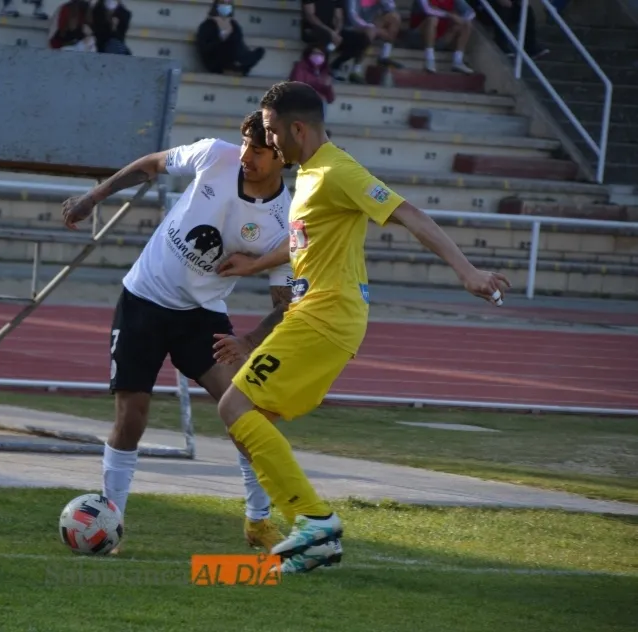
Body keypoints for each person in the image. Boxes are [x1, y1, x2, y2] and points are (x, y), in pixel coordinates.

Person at [212, 81, 510, 574]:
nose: (269, 141)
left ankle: (313, 520)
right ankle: (315, 541)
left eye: (271, 130)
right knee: (250, 421)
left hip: (326, 314)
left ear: (297, 129)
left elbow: (409, 214)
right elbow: (306, 242)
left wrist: (467, 272)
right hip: (316, 314)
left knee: (233, 406)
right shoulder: (311, 174)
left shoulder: (337, 170)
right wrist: (256, 264)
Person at [60, 112, 295, 552]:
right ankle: (109, 523)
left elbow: (286, 304)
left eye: (259, 150)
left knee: (249, 415)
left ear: (283, 155)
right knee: (131, 418)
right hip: (142, 301)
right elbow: (151, 164)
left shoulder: (286, 220)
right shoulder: (215, 155)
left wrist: (248, 341)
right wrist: (95, 196)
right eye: (245, 144)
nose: (246, 156)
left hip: (202, 317)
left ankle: (259, 521)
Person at [300, 0, 370, 84]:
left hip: (332, 31)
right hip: (312, 28)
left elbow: (339, 17)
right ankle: (319, 71)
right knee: (325, 37)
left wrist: (337, 31)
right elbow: (310, 16)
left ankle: (335, 66)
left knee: (361, 39)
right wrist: (331, 32)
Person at [196, 0, 265, 76]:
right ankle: (232, 68)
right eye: (223, 3)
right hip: (215, 60)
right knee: (230, 44)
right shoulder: (207, 25)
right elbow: (205, 48)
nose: (226, 6)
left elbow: (239, 43)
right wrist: (223, 35)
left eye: (228, 4)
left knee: (259, 52)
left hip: (235, 56)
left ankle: (237, 68)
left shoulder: (234, 24)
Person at [409, 0, 476, 74]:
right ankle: (429, 59)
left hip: (440, 39)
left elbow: (471, 13)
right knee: (432, 19)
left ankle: (458, 61)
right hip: (418, 38)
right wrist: (450, 15)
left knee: (466, 24)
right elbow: (428, 10)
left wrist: (462, 20)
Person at [343, 0, 405, 69]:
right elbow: (352, 16)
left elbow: (391, 7)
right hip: (352, 26)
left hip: (370, 23)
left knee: (395, 17)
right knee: (370, 31)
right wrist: (369, 27)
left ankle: (384, 57)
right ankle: (357, 66)